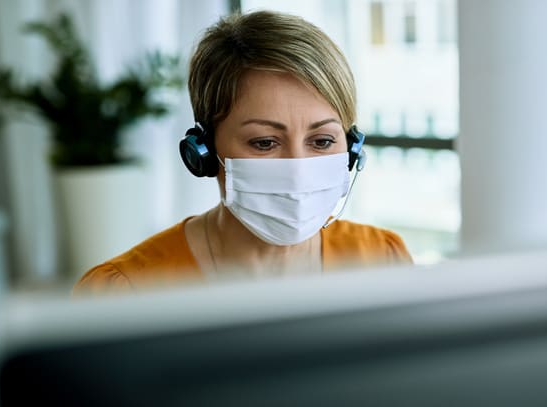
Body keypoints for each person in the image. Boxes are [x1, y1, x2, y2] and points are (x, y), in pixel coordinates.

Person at [73, 10, 412, 295]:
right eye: (264, 142)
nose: (297, 168)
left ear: (352, 150)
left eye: (322, 141)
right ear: (203, 151)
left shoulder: (382, 259)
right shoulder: (127, 291)